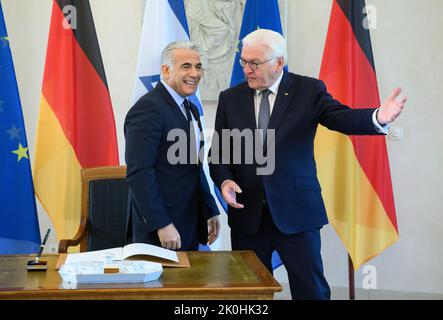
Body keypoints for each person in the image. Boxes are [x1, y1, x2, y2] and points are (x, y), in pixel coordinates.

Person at [209, 29, 406, 299]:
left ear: (278, 62)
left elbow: (340, 118)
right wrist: (225, 180)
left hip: (297, 211)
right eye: (243, 61)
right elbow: (219, 153)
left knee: (311, 290)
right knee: (248, 293)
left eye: (254, 63)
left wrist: (377, 117)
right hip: (248, 213)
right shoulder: (230, 98)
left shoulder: (307, 90)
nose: (246, 69)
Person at [125, 41, 220, 251]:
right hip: (161, 231)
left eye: (198, 66)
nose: (194, 73)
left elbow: (194, 166)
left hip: (189, 223)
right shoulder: (148, 108)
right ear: (166, 70)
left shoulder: (190, 108)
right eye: (186, 66)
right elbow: (139, 172)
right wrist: (161, 223)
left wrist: (210, 209)